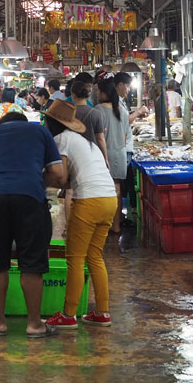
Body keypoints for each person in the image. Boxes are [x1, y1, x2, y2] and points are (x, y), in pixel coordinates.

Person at [0, 110, 67, 339]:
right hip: (30, 199)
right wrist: (32, 181)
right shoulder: (40, 131)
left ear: (2, 124)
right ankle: (34, 325)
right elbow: (58, 174)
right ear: (25, 123)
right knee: (31, 263)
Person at [40, 101, 117, 330]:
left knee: (74, 258)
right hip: (109, 199)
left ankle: (68, 313)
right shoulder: (85, 141)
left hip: (89, 201)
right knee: (95, 257)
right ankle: (102, 312)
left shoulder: (61, 139)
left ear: (52, 122)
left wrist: (39, 179)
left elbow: (60, 178)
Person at [96, 77, 132, 233]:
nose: (97, 94)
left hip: (104, 154)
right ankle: (116, 226)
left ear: (104, 93)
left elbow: (99, 136)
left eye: (99, 91)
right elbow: (125, 135)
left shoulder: (98, 109)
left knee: (102, 191)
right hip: (119, 154)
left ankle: (104, 226)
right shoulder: (122, 110)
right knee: (116, 190)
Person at [68, 74, 109, 167]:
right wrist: (105, 158)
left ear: (73, 95)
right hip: (91, 153)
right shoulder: (96, 112)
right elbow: (100, 138)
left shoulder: (66, 111)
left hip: (71, 154)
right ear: (86, 94)